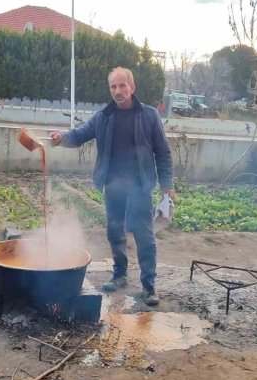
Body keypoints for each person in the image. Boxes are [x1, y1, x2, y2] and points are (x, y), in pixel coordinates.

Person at [50, 67, 174, 306]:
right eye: (113, 87)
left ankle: (149, 286)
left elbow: (163, 152)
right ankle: (120, 275)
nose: (117, 91)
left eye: (122, 86)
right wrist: (61, 138)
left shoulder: (149, 116)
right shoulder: (103, 116)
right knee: (114, 231)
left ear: (132, 87)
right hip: (113, 185)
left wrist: (167, 184)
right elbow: (79, 135)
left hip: (140, 185)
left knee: (144, 236)